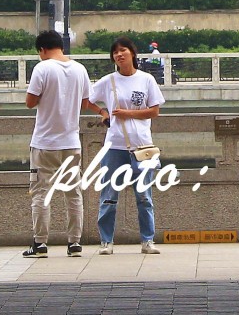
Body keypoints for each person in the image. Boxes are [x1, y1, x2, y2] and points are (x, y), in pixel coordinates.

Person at [24, 29, 97, 258]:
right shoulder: (79, 68)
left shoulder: (42, 68)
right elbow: (86, 102)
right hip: (71, 141)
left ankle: (40, 244)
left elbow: (30, 102)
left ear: (42, 50)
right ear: (61, 47)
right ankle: (74, 243)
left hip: (45, 142)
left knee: (40, 193)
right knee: (73, 193)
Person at [90, 37, 165, 254]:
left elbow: (154, 111)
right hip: (115, 146)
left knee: (144, 195)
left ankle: (147, 240)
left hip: (142, 146)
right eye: (115, 52)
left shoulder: (146, 80)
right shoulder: (108, 81)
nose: (119, 55)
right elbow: (87, 99)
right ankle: (106, 241)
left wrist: (127, 113)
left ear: (132, 53)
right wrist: (103, 113)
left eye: (122, 51)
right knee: (109, 195)